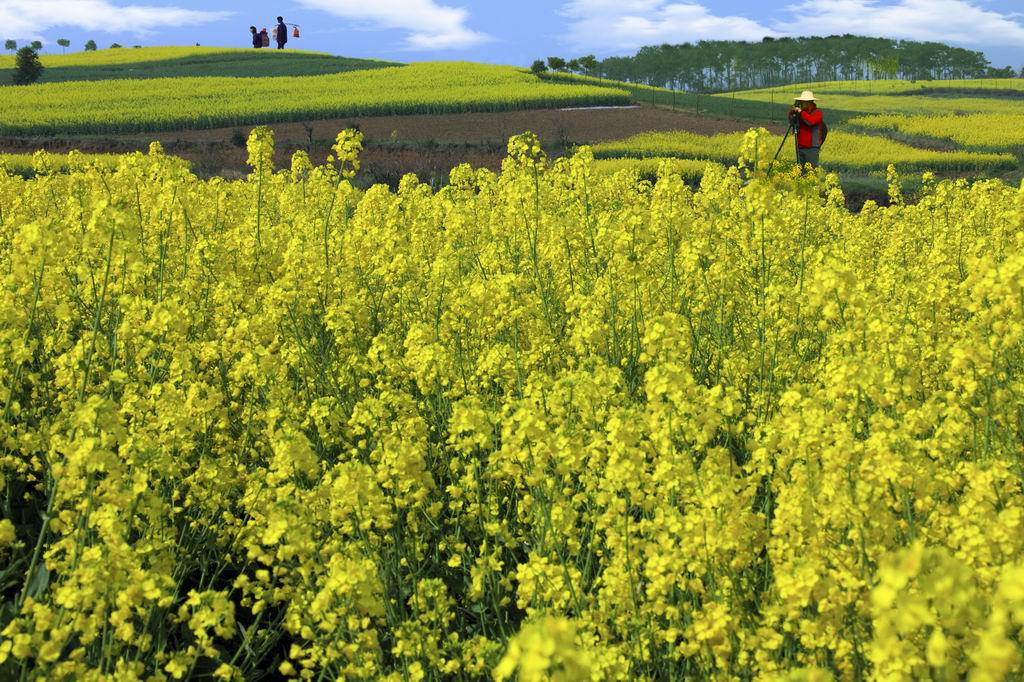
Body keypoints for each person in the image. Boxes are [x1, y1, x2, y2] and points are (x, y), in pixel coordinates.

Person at [789, 91, 826, 169]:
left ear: (809, 103)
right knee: (800, 172)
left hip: (812, 148)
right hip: (800, 147)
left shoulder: (818, 113)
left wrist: (800, 112)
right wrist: (793, 112)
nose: (801, 104)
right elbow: (791, 120)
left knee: (811, 172)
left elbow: (810, 121)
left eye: (803, 102)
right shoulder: (801, 113)